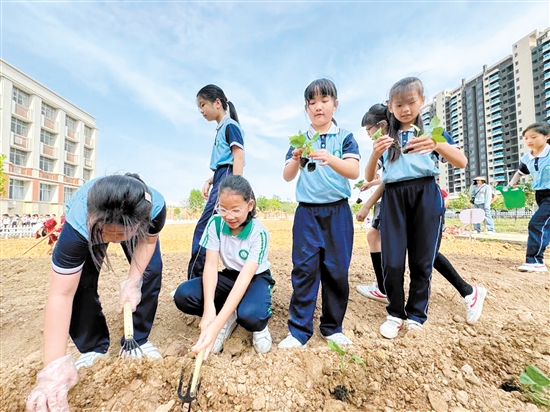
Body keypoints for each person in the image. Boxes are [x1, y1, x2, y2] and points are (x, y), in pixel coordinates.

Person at [27, 173, 166, 412]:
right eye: (106, 234)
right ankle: (92, 346)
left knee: (149, 272)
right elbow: (61, 295)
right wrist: (53, 370)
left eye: (119, 235)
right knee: (82, 282)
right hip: (91, 227)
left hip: (124, 223)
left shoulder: (155, 210)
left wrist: (133, 281)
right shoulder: (80, 222)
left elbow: (149, 243)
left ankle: (138, 339)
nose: (111, 241)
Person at [356, 103, 486, 324]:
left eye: (369, 130)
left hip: (421, 198)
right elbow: (390, 176)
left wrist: (369, 200)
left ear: (382, 124)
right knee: (384, 243)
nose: (369, 135)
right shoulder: (387, 143)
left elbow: (454, 161)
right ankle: (386, 291)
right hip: (395, 200)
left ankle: (467, 291)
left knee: (423, 254)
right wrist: (370, 198)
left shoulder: (421, 135)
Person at [365, 77, 467, 339]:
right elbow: (369, 177)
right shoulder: (386, 136)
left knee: (422, 261)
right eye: (399, 104)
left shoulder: (433, 131)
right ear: (390, 106)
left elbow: (461, 162)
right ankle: (395, 313)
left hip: (425, 193)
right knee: (393, 261)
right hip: (394, 197)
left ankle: (416, 315)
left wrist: (437, 145)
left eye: (411, 102)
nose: (406, 109)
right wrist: (375, 154)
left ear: (422, 101)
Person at [279, 78, 360, 349]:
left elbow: (353, 171)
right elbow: (288, 176)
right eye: (312, 103)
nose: (318, 107)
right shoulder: (300, 139)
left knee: (337, 271)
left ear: (335, 105)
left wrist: (329, 157)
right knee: (304, 270)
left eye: (324, 101)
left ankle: (332, 327)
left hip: (337, 212)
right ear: (306, 109)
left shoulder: (345, 137)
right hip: (307, 214)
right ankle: (299, 331)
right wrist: (295, 157)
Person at [174, 175, 275, 357]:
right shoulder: (215, 223)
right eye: (223, 209)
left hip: (254, 279)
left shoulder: (259, 234)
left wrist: (214, 327)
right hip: (230, 276)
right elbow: (211, 266)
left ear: (249, 205)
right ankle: (228, 315)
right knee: (184, 295)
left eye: (236, 210)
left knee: (251, 316)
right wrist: (208, 310)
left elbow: (245, 279)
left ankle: (257, 325)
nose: (229, 216)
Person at [188, 84, 245, 280]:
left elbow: (238, 158)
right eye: (199, 107)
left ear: (218, 103)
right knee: (219, 231)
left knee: (204, 229)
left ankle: (194, 282)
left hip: (228, 180)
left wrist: (236, 190)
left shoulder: (230, 126)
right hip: (222, 176)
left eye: (203, 104)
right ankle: (206, 280)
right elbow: (224, 162)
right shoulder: (221, 128)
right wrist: (210, 180)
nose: (201, 110)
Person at [509, 122, 550, 272]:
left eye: (534, 137)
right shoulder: (527, 158)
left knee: (537, 223)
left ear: (547, 136)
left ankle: (535, 260)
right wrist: (512, 183)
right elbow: (521, 171)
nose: (529, 141)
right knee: (545, 225)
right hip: (540, 194)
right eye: (526, 138)